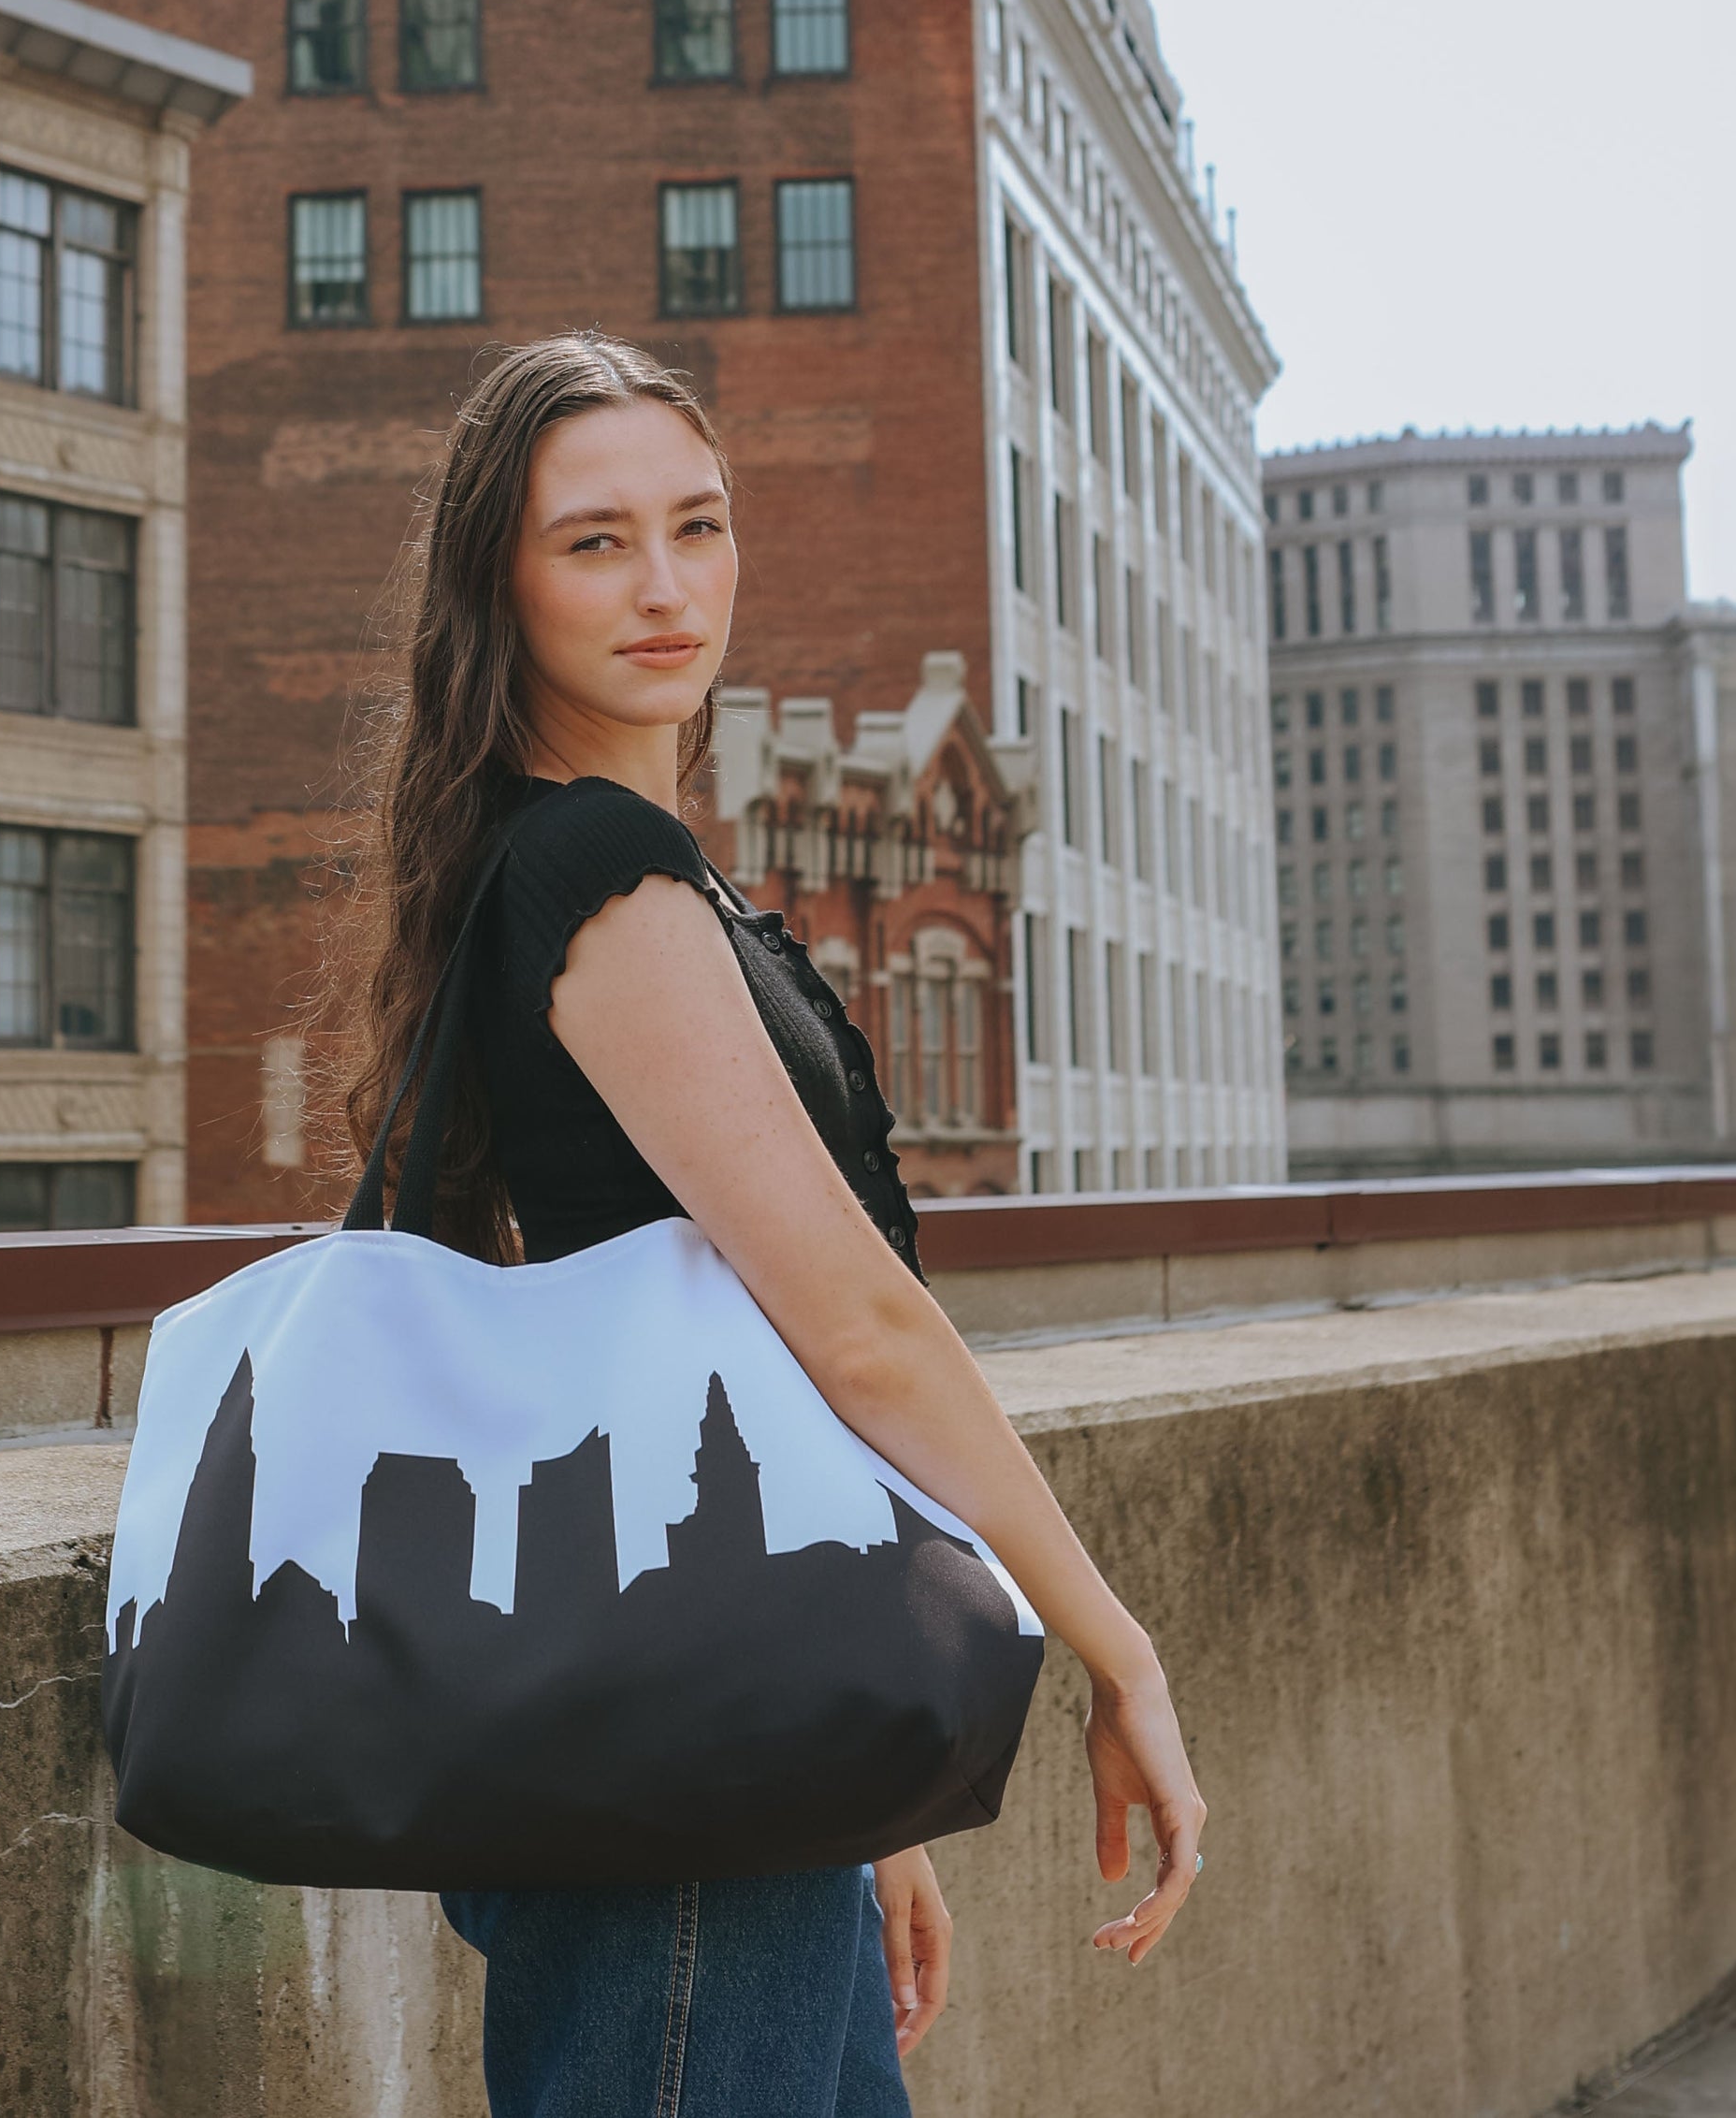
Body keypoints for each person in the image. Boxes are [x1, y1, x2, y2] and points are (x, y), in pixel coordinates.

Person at [340, 331, 1207, 2115]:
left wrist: (859, 1777)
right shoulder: (593, 872)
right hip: (684, 1770)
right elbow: (855, 1325)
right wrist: (1115, 1652)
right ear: (497, 581)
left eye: (699, 525)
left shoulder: (625, 863)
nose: (665, 586)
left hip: (740, 1728)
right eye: (593, 541)